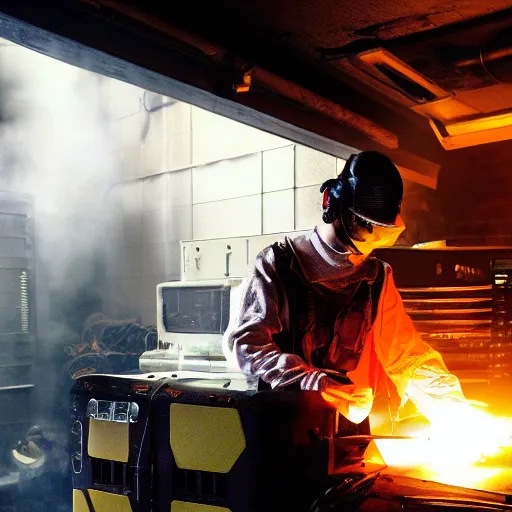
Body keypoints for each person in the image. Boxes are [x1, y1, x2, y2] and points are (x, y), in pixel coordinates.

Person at [227, 151, 480, 434]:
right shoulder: (278, 265)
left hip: (343, 431)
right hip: (279, 430)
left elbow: (408, 358)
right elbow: (246, 346)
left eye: (379, 231)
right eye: (365, 227)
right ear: (331, 204)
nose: (369, 242)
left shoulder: (376, 278)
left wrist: (455, 413)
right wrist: (308, 380)